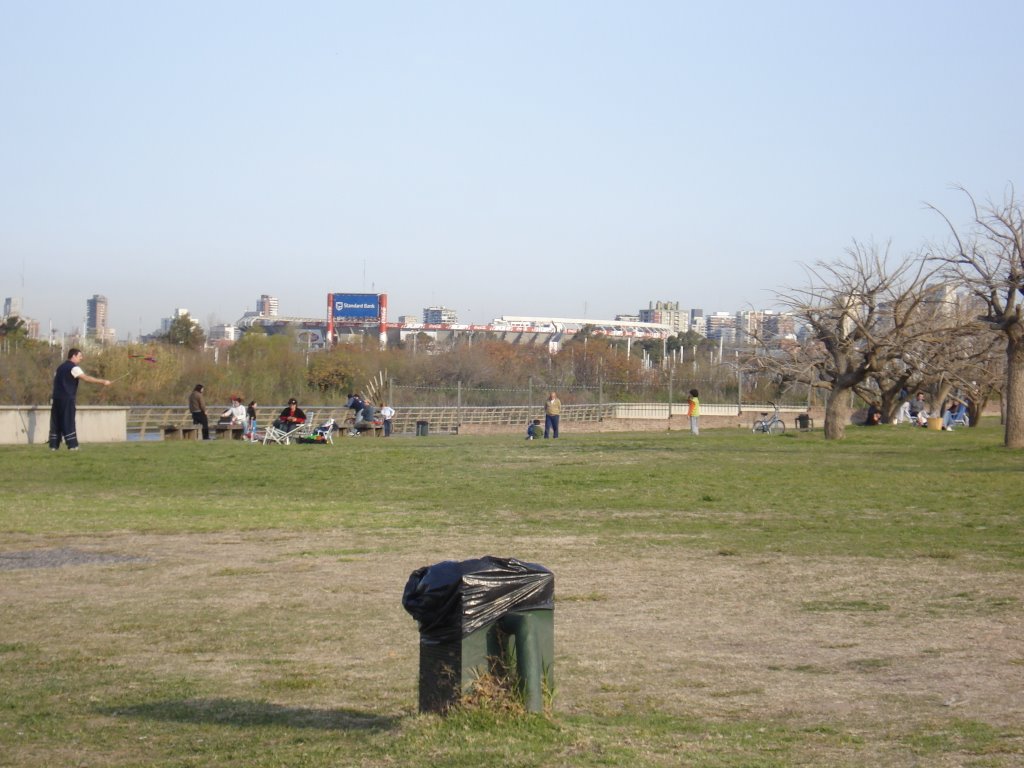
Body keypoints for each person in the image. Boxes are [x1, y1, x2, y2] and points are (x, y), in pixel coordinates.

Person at [48, 348, 111, 451]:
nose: (81, 358)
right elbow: (86, 378)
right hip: (67, 398)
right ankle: (72, 445)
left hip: (56, 398)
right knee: (68, 421)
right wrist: (103, 381)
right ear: (73, 356)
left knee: (56, 422)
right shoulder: (74, 368)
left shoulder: (59, 368)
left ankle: (54, 446)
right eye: (80, 356)